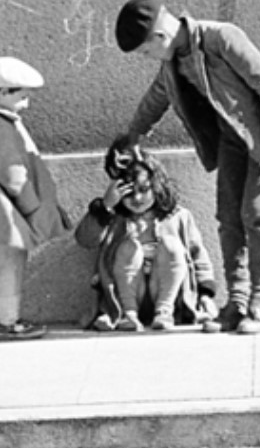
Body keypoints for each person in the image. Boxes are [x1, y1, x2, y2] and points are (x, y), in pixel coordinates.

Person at [114, 0, 260, 335]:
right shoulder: (173, 63)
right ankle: (236, 302)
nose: (149, 58)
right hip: (231, 140)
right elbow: (156, 97)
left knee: (258, 215)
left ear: (160, 36)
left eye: (146, 51)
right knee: (229, 218)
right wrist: (133, 136)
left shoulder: (221, 38)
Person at [0, 57, 73, 341]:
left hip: (1, 208)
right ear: (1, 92)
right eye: (22, 95)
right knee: (12, 262)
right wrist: (33, 209)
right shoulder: (0, 126)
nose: (27, 101)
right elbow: (13, 176)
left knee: (12, 261)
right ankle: (9, 322)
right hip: (9, 211)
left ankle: (10, 320)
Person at [76, 141, 219, 332]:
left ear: (157, 186)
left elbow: (198, 256)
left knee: (171, 245)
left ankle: (164, 313)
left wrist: (205, 294)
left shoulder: (178, 216)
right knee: (129, 247)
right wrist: (105, 208)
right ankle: (129, 316)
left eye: (144, 190)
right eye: (129, 193)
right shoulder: (114, 219)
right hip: (125, 296)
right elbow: (85, 240)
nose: (137, 199)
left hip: (169, 294)